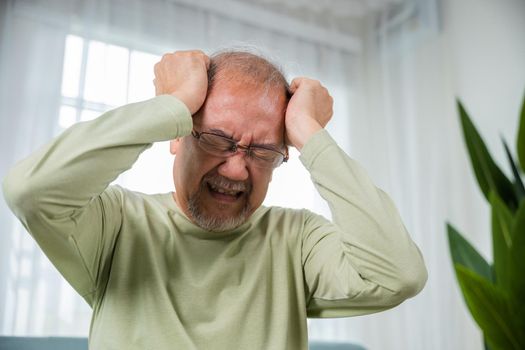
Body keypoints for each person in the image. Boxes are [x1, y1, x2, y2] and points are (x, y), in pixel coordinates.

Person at [2, 49, 427, 349]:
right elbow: (29, 191)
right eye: (218, 140)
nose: (237, 170)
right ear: (176, 134)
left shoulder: (296, 240)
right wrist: (171, 104)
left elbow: (399, 274)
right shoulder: (117, 223)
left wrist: (309, 132)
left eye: (262, 152)